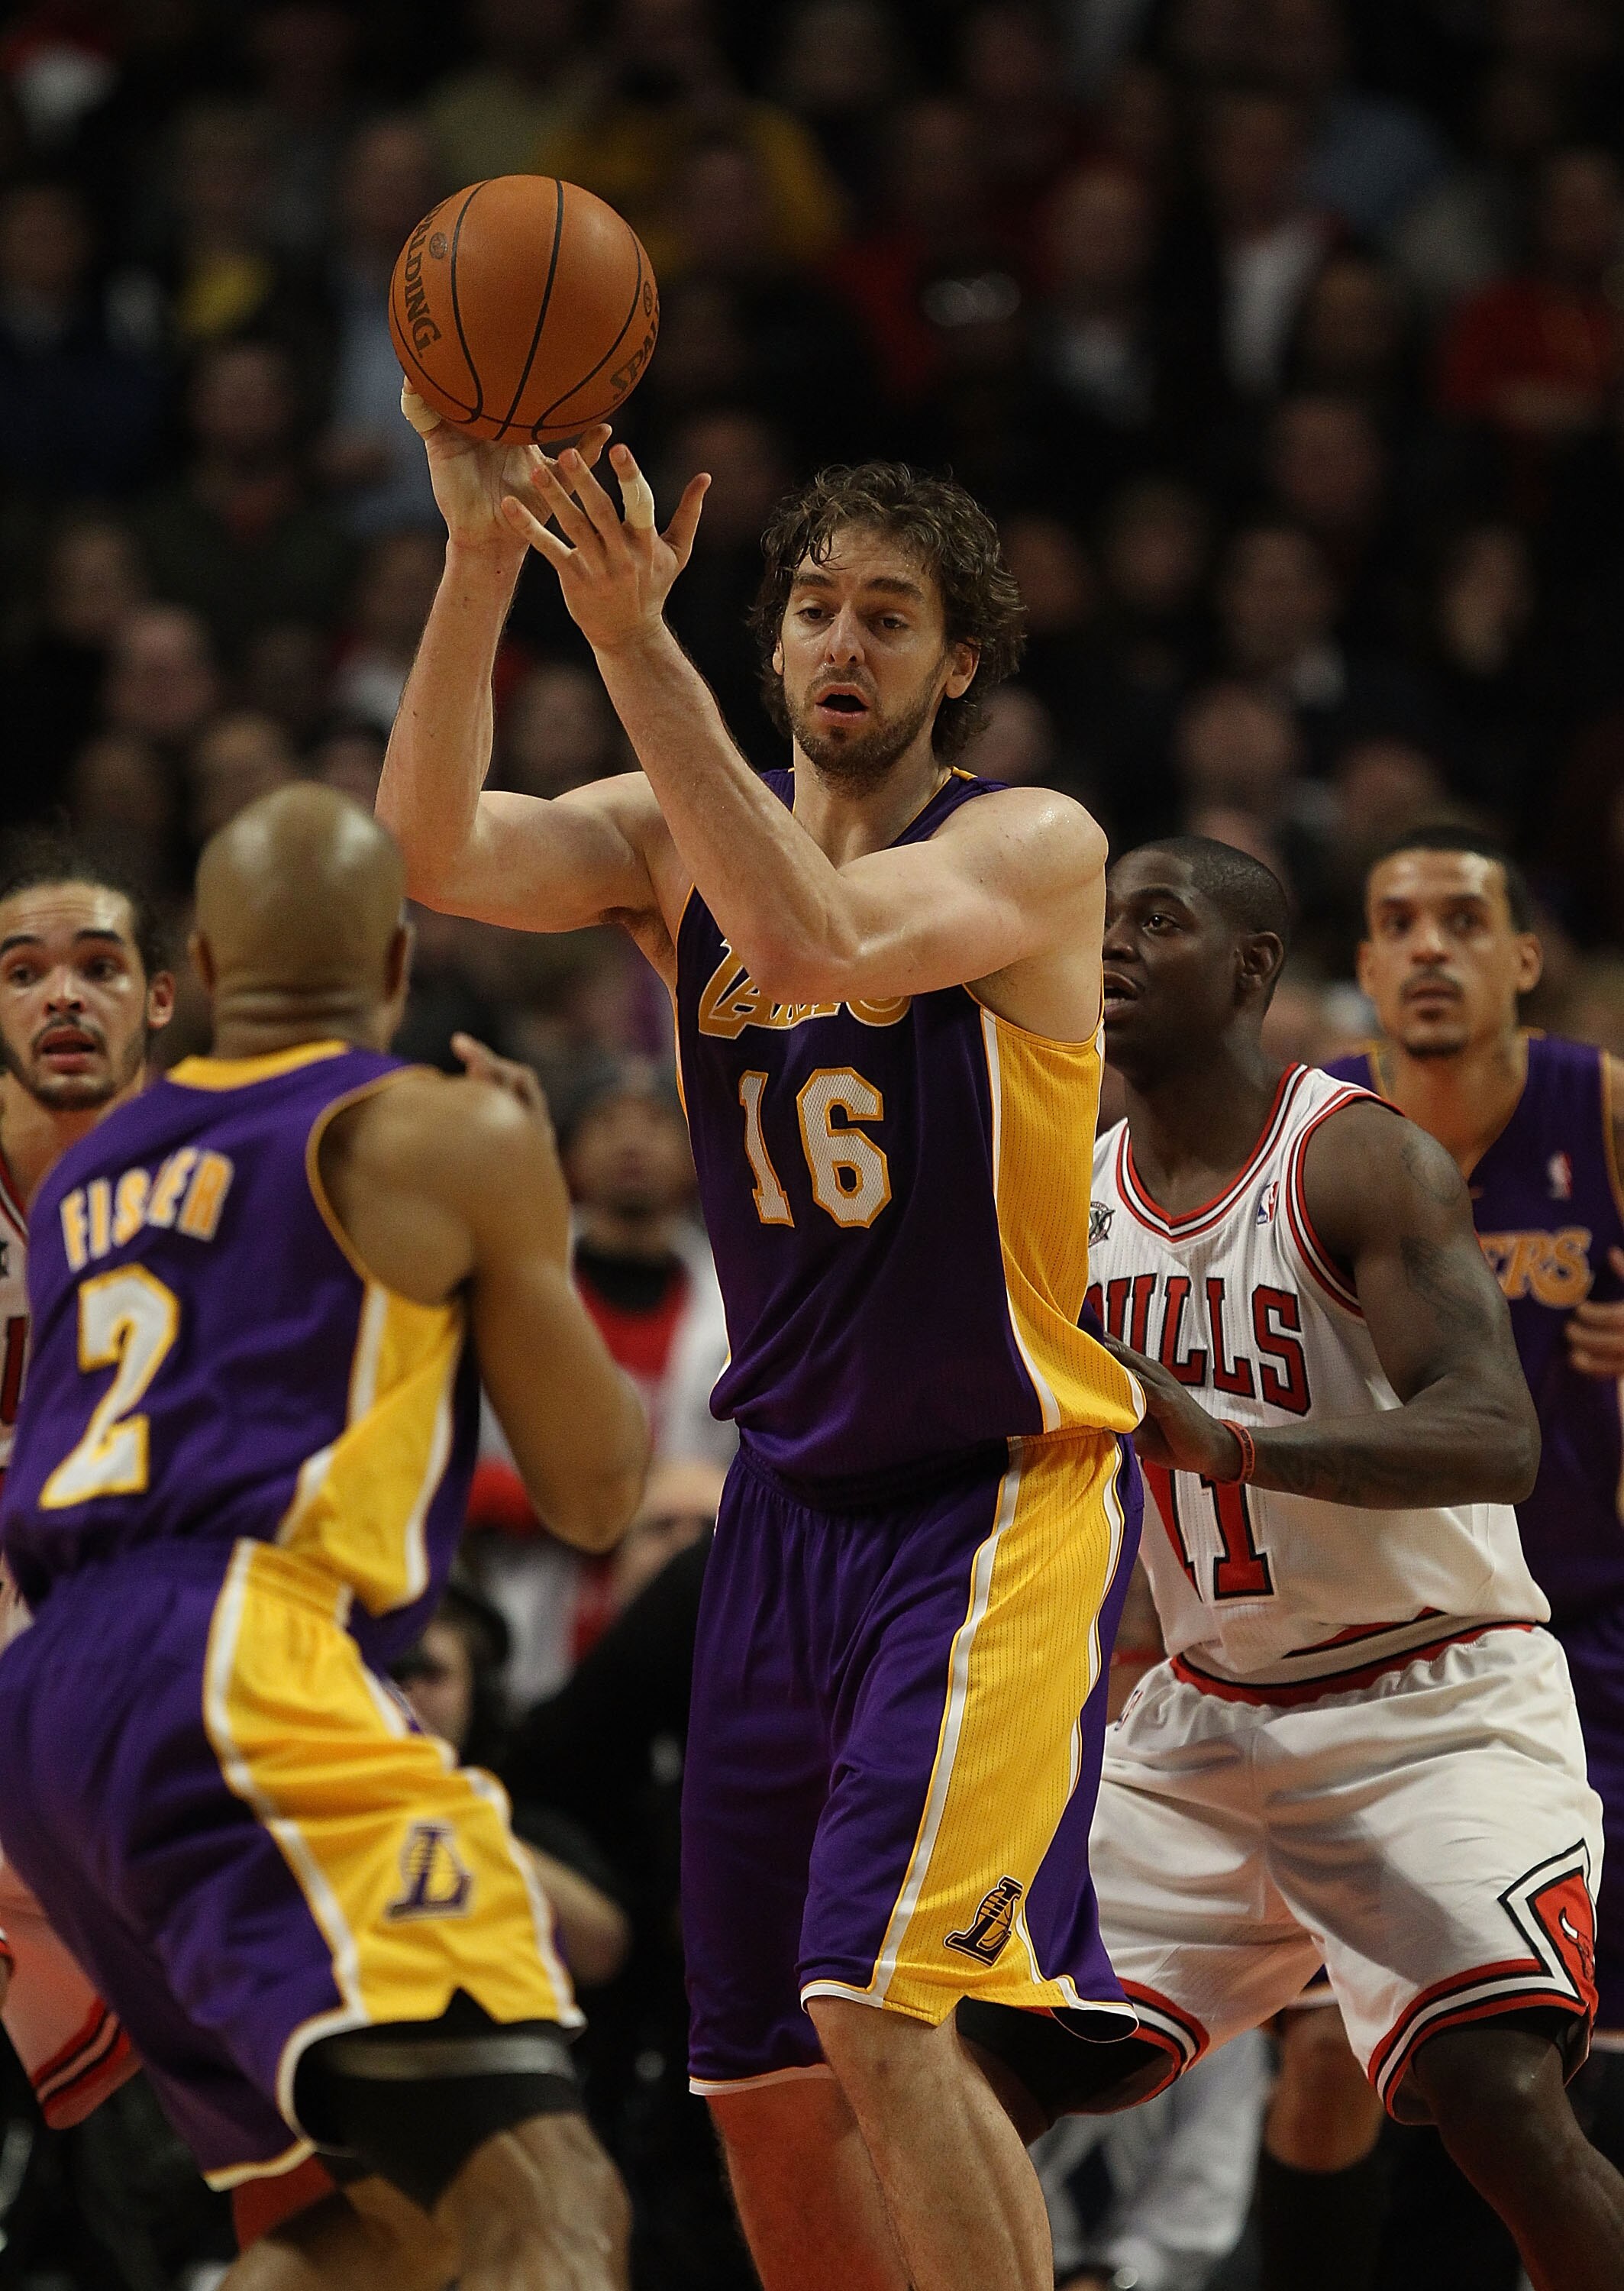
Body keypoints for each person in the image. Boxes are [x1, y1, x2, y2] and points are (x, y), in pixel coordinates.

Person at [379, 396, 1145, 2291]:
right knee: (758, 2079)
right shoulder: (666, 834)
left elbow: (807, 946)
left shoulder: (1032, 846)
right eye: (810, 607)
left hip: (984, 1507)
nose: (839, 643)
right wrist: (484, 561)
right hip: (783, 1519)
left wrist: (631, 638)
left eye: (889, 616)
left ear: (956, 664)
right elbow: (429, 845)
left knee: (884, 2009)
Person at [0, 784, 650, 2291]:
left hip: (51, 1715)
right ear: (400, 969)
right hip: (241, 1662)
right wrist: (525, 1197)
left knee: (353, 2231)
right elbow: (598, 1497)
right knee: (546, 2205)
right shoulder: (436, 1129)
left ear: (203, 973)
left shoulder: (95, 1169)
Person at [959, 835, 1624, 2291]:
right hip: (1206, 1719)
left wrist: (1241, 1448)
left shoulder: (1358, 1155)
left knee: (1503, 2109)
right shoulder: (1071, 1198)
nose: (1114, 948)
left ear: (1251, 971)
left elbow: (1495, 1434)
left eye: (1159, 924)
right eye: (1102, 925)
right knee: (974, 2071)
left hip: (1431, 1703)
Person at [1318, 823, 1624, 2272]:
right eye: (1400, 922)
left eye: (1462, 920)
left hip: (1585, 1635)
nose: (1431, 945)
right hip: (1368, 1648)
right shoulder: (1310, 1137)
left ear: (1523, 960)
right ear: (1366, 966)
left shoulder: (1602, 1111)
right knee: (1341, 2063)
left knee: (1562, 2050)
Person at [0, 839, 177, 2137]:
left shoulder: (241, 1171)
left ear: (159, 998)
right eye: (23, 972)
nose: (63, 996)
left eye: (98, 966)